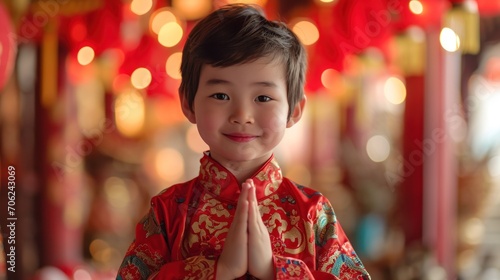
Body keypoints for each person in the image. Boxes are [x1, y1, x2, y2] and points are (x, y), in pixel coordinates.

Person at [117, 4, 370, 280]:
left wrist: (275, 271)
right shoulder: (167, 212)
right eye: (221, 96)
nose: (242, 116)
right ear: (188, 103)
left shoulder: (313, 213)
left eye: (263, 98)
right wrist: (216, 271)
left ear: (294, 110)